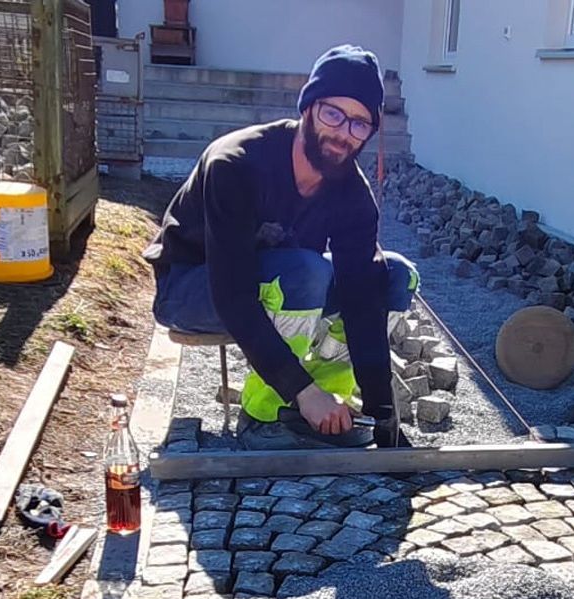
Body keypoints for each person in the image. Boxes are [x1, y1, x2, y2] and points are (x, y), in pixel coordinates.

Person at [143, 44, 418, 449]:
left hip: (275, 283)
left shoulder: (352, 194)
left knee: (392, 275)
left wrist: (383, 413)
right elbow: (233, 296)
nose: (344, 133)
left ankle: (328, 412)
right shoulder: (234, 164)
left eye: (360, 124)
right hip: (192, 289)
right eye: (333, 114)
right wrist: (301, 390)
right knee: (305, 272)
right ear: (308, 106)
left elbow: (361, 294)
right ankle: (266, 414)